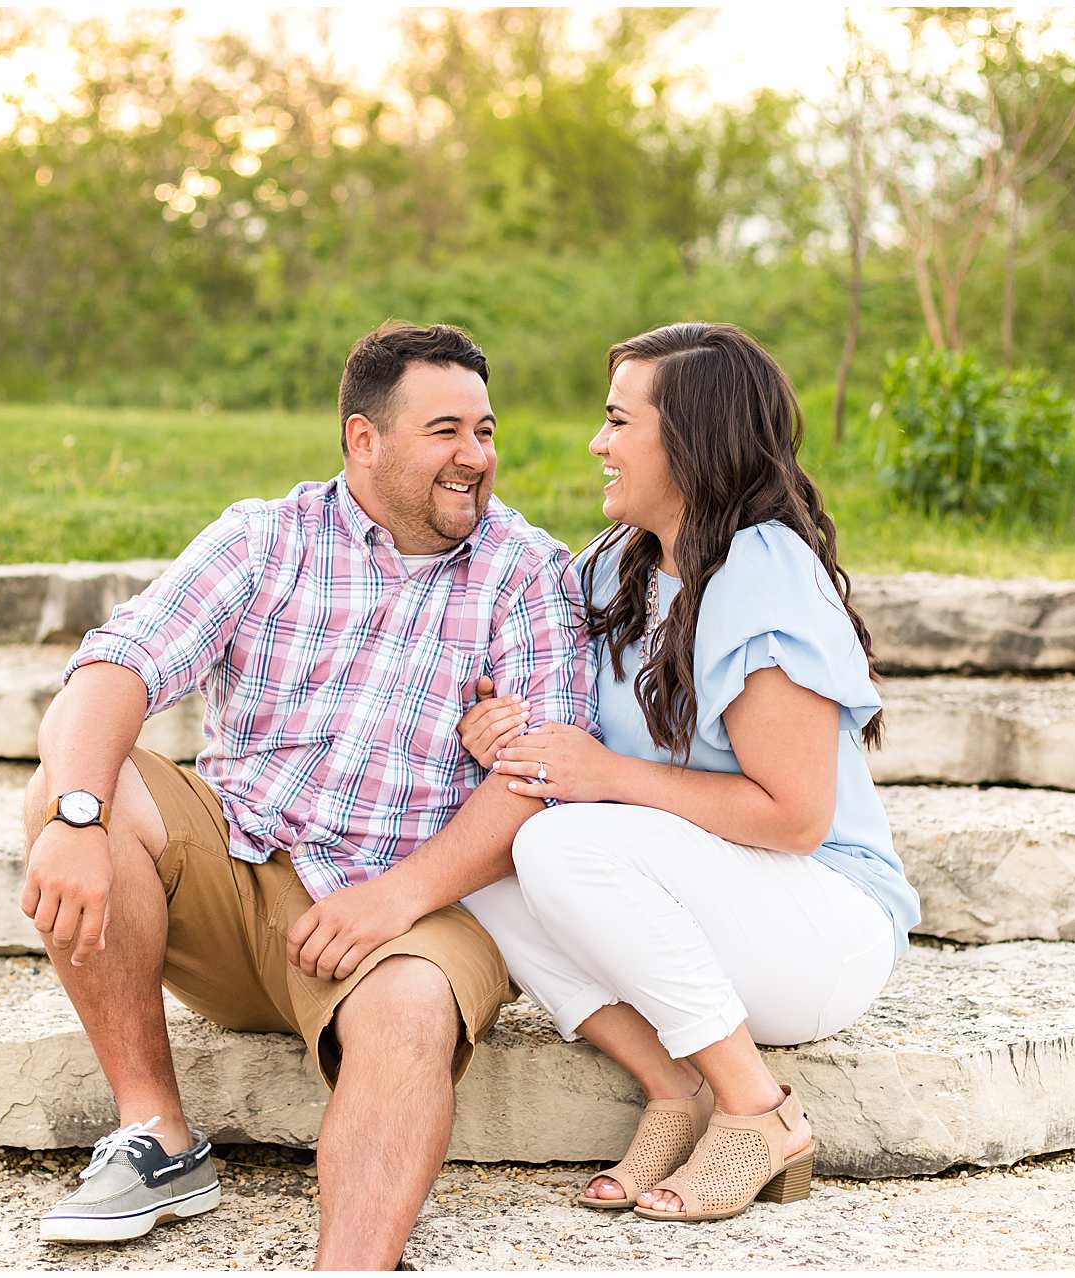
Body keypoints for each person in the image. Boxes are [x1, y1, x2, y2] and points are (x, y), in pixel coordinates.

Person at [18, 321, 596, 1269]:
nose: (476, 458)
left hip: (409, 901)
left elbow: (538, 775)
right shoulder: (264, 538)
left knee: (410, 1008)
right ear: (363, 440)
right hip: (234, 869)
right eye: (445, 432)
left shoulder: (529, 571)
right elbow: (113, 669)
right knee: (75, 779)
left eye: (486, 432)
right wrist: (76, 816)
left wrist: (398, 897)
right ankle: (157, 1136)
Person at [455, 322, 921, 1223]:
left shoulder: (763, 572)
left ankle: (758, 1111)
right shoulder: (618, 570)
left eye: (619, 421)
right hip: (705, 918)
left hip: (819, 929)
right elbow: (568, 746)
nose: (598, 443)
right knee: (478, 862)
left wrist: (600, 776)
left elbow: (794, 819)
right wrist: (500, 729)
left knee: (557, 842)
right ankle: (675, 1089)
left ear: (692, 443)